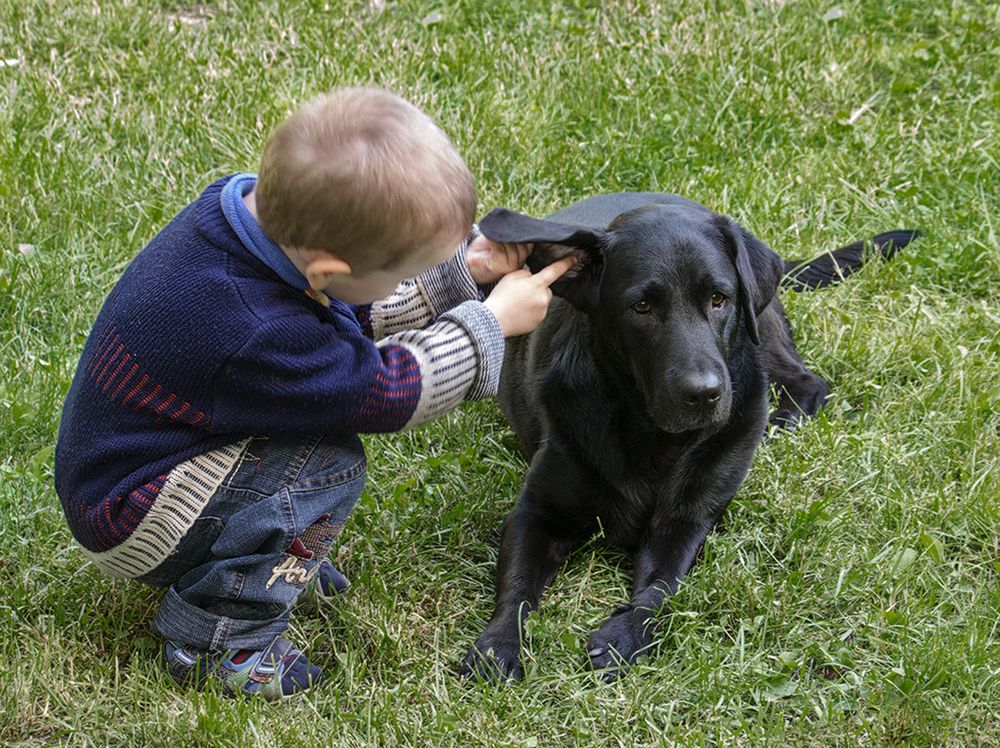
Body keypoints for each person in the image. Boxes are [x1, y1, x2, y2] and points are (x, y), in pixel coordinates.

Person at [54, 86, 573, 700]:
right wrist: (491, 323)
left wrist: (466, 272)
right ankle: (220, 639)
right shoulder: (258, 327)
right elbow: (386, 390)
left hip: (136, 463)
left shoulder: (246, 223)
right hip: (136, 513)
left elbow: (348, 310)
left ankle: (256, 549)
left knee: (309, 444)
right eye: (408, 273)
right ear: (326, 271)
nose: (411, 282)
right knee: (326, 466)